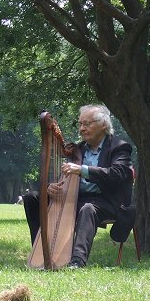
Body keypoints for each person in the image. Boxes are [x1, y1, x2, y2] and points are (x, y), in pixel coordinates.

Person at [23, 104, 133, 268]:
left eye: (87, 124)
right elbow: (66, 177)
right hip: (76, 198)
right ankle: (41, 253)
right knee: (32, 198)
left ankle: (77, 261)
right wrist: (52, 187)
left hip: (107, 201)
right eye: (80, 124)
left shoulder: (119, 146)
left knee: (88, 208)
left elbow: (117, 174)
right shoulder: (77, 149)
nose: (82, 128)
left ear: (103, 125)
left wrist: (83, 170)